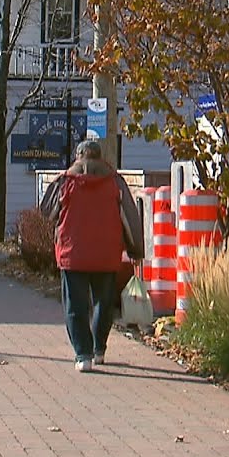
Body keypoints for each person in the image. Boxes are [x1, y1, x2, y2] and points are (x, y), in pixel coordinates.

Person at [41, 140, 144, 372]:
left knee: (75, 306)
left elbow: (46, 211)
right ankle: (99, 349)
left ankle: (83, 355)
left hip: (72, 253)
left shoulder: (65, 181)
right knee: (103, 303)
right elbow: (130, 218)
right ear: (100, 156)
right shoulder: (115, 181)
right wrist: (135, 249)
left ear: (78, 156)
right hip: (106, 254)